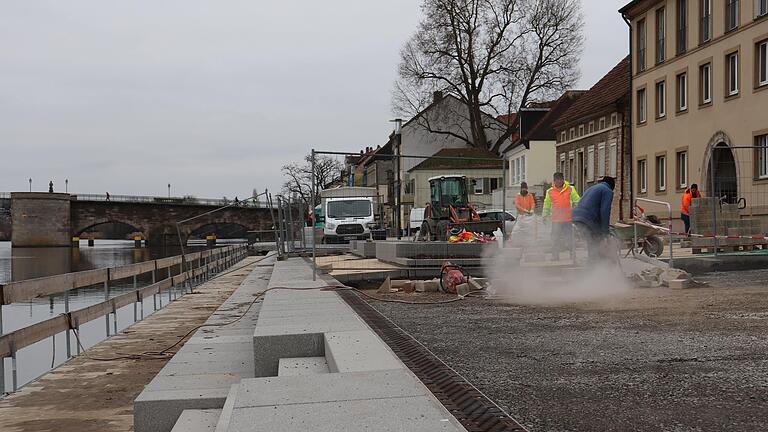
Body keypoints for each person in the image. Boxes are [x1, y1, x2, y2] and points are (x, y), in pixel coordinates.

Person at [573, 176, 615, 263]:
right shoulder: (607, 191)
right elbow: (605, 211)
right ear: (612, 186)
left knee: (592, 241)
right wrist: (605, 232)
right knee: (597, 240)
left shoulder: (593, 188)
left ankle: (593, 264)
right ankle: (597, 265)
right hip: (587, 218)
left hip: (576, 216)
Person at [542, 172, 580, 261]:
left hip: (568, 219)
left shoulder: (570, 189)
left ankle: (572, 254)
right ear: (554, 181)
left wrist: (576, 211)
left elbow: (577, 201)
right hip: (556, 220)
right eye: (557, 180)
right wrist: (544, 216)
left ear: (563, 179)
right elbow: (546, 204)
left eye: (560, 179)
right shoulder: (550, 191)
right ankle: (555, 256)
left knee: (570, 238)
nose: (559, 182)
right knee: (555, 238)